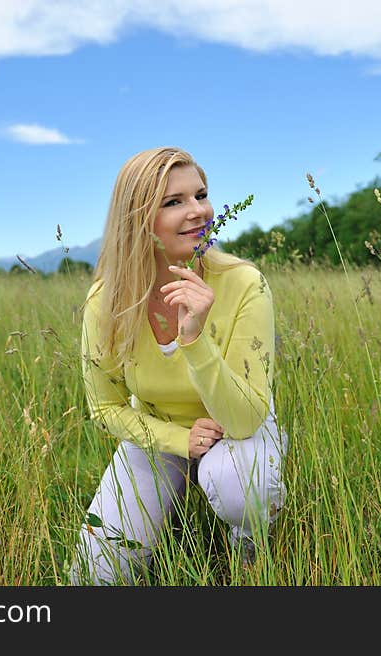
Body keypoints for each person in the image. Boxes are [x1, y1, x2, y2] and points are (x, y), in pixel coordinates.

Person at [70, 146, 288, 585]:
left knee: (236, 483)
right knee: (95, 575)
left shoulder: (244, 283)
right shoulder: (105, 302)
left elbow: (245, 417)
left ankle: (251, 548)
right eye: (174, 202)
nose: (200, 211)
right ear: (137, 220)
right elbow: (105, 408)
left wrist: (194, 338)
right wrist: (179, 439)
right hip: (160, 432)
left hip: (236, 428)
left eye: (201, 195)